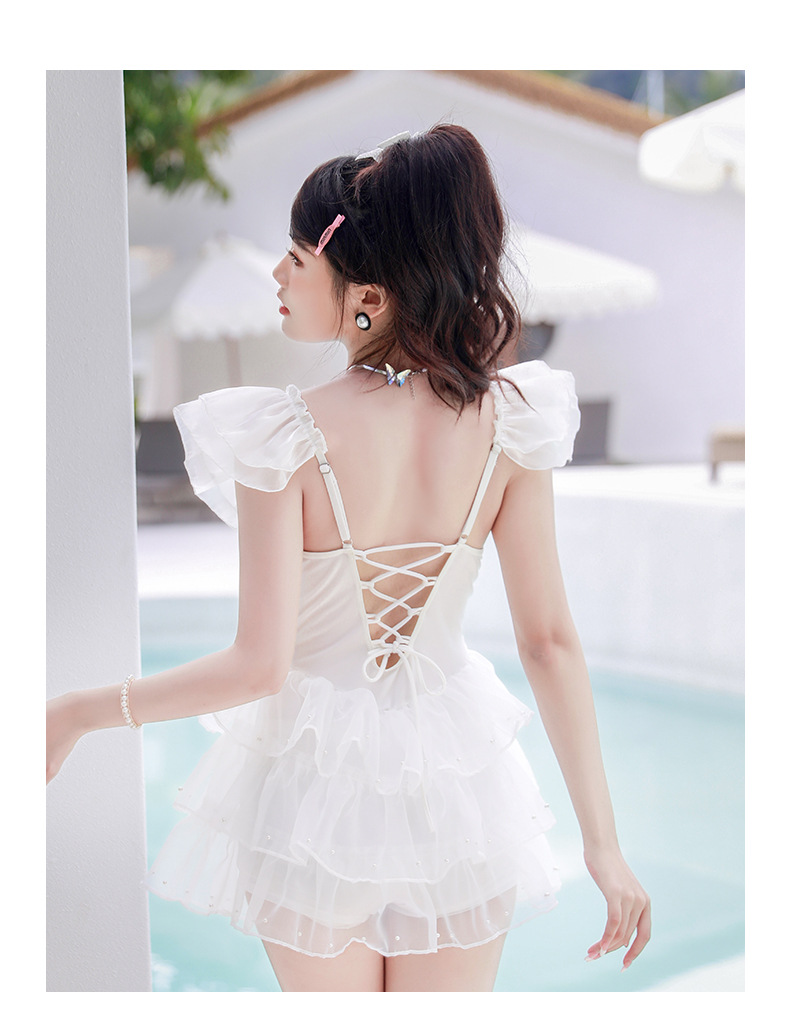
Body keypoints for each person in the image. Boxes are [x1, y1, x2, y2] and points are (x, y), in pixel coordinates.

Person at [47, 125, 650, 993]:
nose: (277, 275)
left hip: (310, 795)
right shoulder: (511, 425)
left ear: (366, 296)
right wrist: (604, 845)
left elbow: (258, 668)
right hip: (457, 783)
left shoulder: (282, 436)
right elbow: (549, 641)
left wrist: (77, 711)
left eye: (297, 258)